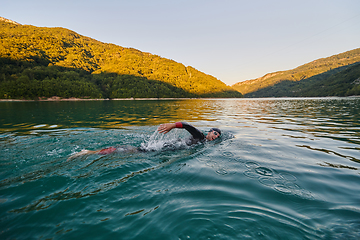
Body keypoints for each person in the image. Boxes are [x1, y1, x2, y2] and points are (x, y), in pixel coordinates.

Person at [67, 122, 221, 160]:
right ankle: (89, 153)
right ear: (209, 131)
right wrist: (173, 125)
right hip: (167, 147)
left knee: (134, 152)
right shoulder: (200, 135)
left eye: (217, 136)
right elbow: (187, 125)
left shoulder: (204, 143)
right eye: (214, 133)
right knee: (132, 151)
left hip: (169, 149)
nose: (215, 136)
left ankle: (93, 153)